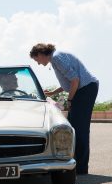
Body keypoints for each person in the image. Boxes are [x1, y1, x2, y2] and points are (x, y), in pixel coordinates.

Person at [29, 43, 99, 175]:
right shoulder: (56, 57)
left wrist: (70, 100)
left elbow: (75, 80)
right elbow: (68, 82)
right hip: (83, 89)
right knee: (72, 127)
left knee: (80, 129)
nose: (38, 63)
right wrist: (52, 93)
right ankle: (76, 165)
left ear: (40, 54)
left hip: (85, 89)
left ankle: (82, 169)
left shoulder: (56, 58)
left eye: (36, 60)